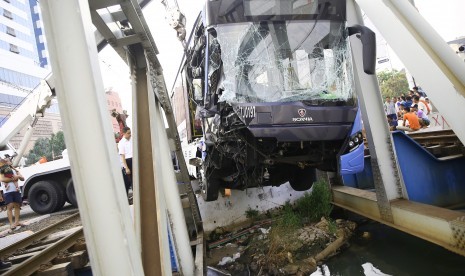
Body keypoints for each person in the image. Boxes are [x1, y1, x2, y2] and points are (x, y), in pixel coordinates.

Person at [0, 158, 24, 231]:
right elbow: (3, 179)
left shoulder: (15, 170)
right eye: (6, 161)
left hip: (16, 190)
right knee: (10, 206)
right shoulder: (2, 170)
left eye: (8, 161)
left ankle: (17, 222)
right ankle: (11, 224)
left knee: (17, 205)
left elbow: (22, 178)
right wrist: (15, 178)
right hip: (8, 192)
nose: (7, 162)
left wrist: (18, 176)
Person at [118, 127, 133, 192]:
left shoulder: (133, 139)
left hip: (135, 159)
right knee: (132, 180)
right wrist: (126, 168)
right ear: (124, 133)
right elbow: (122, 156)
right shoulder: (121, 143)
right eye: (128, 133)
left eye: (130, 132)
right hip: (128, 161)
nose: (130, 134)